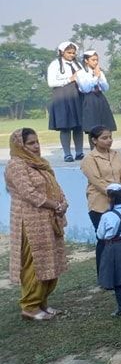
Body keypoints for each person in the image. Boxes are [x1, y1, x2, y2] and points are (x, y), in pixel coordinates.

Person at [6, 129, 69, 320]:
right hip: (30, 222)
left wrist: (63, 203)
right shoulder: (16, 165)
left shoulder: (40, 163)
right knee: (35, 263)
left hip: (48, 221)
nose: (36, 146)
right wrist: (55, 205)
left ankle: (42, 302)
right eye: (30, 143)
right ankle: (30, 306)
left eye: (37, 142)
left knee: (50, 261)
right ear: (20, 145)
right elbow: (29, 193)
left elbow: (55, 186)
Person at [80, 125, 121, 277]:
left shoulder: (117, 154)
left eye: (110, 137)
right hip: (100, 203)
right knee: (104, 239)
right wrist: (114, 193)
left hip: (120, 202)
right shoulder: (89, 159)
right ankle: (103, 275)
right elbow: (96, 181)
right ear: (94, 140)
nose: (109, 140)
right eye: (104, 138)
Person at [96, 184, 121, 317]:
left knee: (118, 277)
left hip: (114, 247)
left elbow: (100, 235)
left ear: (110, 198)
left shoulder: (107, 216)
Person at [47, 42, 85, 162]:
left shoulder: (77, 64)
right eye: (69, 53)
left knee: (78, 126)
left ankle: (79, 152)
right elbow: (51, 82)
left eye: (73, 53)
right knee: (65, 126)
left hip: (77, 95)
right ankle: (67, 154)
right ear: (62, 52)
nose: (71, 55)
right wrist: (69, 79)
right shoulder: (55, 64)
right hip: (62, 96)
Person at [77, 50, 117, 138]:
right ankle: (94, 146)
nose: (95, 62)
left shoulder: (100, 72)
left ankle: (106, 143)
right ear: (86, 60)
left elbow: (106, 88)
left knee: (106, 125)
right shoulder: (81, 73)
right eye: (93, 60)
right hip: (89, 99)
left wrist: (100, 77)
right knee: (92, 127)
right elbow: (85, 89)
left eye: (97, 60)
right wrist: (95, 77)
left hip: (100, 98)